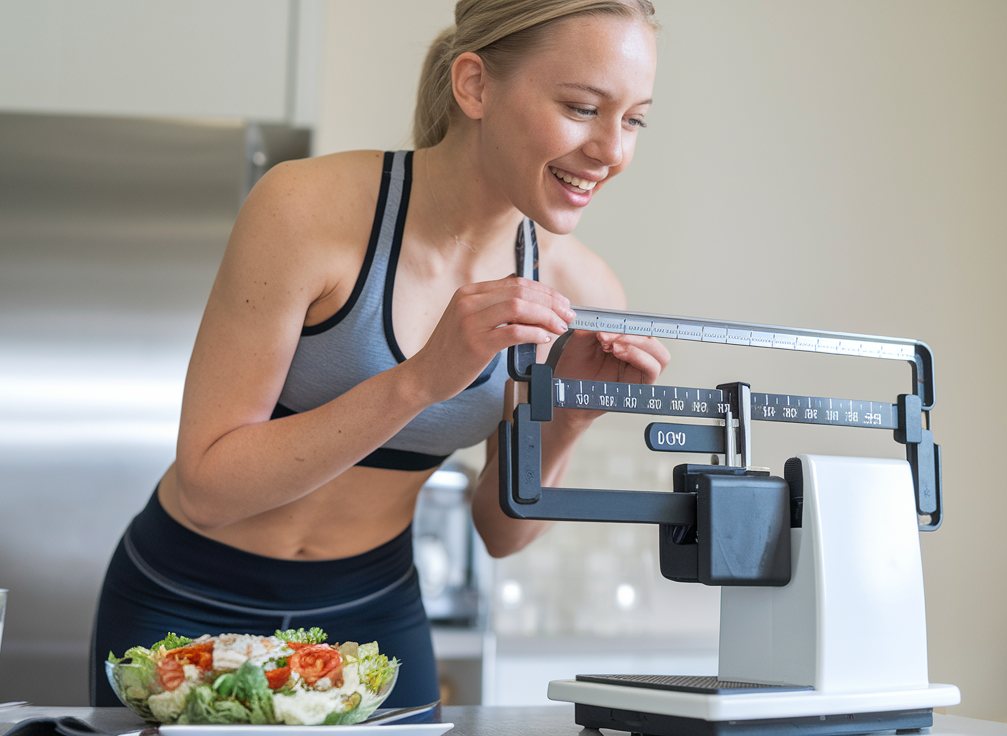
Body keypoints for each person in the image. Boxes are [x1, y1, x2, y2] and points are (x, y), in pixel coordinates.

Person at [91, 0, 669, 708]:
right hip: (189, 598)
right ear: (475, 86)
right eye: (583, 107)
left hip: (371, 615)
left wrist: (567, 422)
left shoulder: (580, 288)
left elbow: (502, 534)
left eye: (634, 119)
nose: (613, 150)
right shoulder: (305, 210)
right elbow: (208, 489)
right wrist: (421, 380)